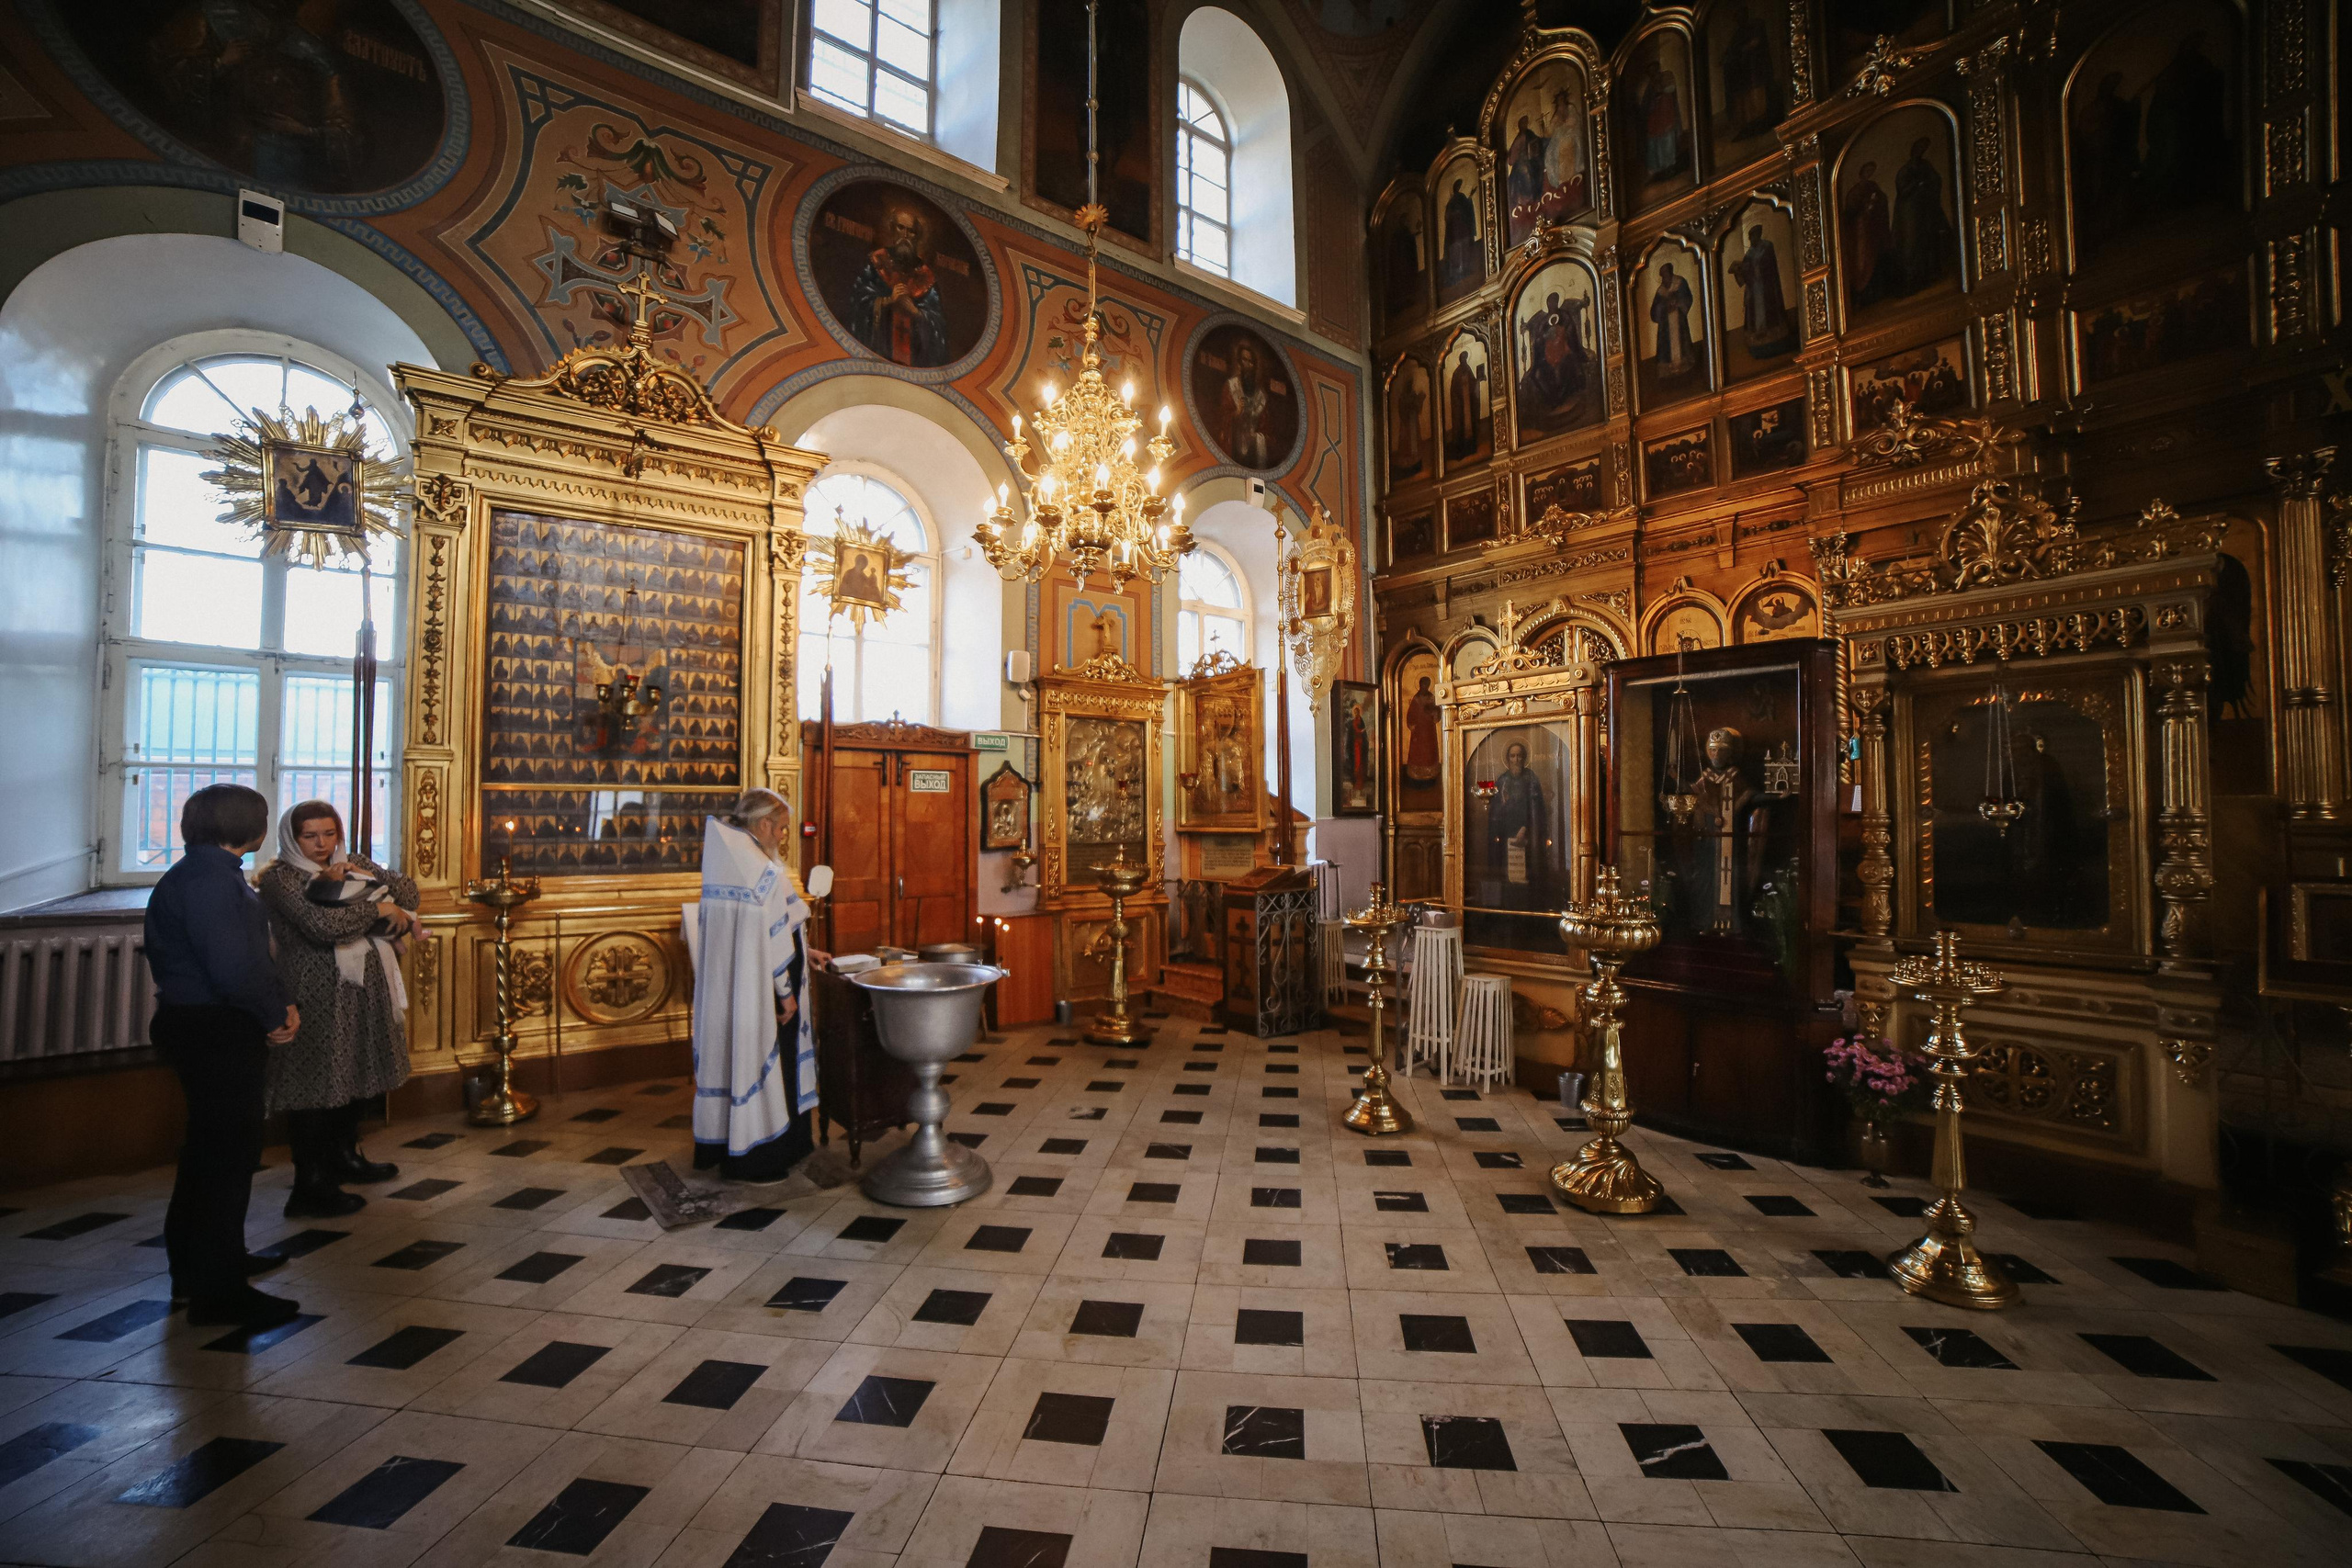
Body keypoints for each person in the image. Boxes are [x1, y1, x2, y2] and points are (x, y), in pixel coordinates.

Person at [143, 783, 302, 1329]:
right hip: (214, 1027)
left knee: (208, 1153)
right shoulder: (216, 884)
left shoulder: (194, 873)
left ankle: (200, 1267)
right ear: (254, 831)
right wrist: (275, 1011)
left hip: (195, 1022)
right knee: (226, 1160)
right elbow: (235, 968)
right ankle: (218, 1294)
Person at [257, 800, 421, 1218]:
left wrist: (370, 880)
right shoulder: (282, 879)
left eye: (329, 834)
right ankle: (310, 1182)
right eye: (310, 836)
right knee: (316, 1078)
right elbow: (323, 926)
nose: (321, 844)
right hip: (313, 990)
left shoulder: (353, 861)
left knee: (355, 1068)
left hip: (363, 985)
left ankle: (345, 1156)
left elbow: (408, 892)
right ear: (292, 838)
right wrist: (378, 909)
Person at [692, 789, 824, 1180]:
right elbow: (771, 941)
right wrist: (785, 996)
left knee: (736, 1060)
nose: (783, 836)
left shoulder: (733, 860)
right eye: (782, 828)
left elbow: (781, 927)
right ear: (764, 824)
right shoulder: (758, 871)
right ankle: (762, 1156)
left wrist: (810, 952)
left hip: (737, 991)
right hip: (761, 995)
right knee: (765, 1066)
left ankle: (727, 1145)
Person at [849, 209, 949, 367]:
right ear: (892, 229)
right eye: (900, 228)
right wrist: (889, 301)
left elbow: (937, 322)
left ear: (917, 237)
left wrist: (915, 312)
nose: (905, 235)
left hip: (914, 357)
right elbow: (858, 302)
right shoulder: (877, 262)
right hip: (878, 348)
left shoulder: (926, 276)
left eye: (911, 232)